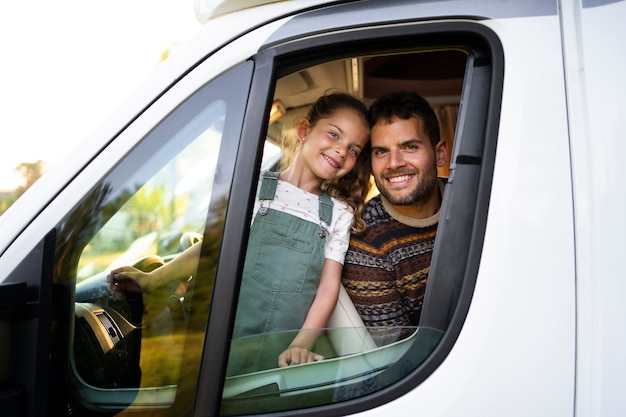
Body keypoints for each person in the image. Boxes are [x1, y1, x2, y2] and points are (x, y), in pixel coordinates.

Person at [108, 92, 371, 373]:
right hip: (228, 339)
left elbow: (328, 286)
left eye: (353, 149)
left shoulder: (339, 214)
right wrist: (152, 280)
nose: (342, 150)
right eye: (334, 134)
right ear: (304, 131)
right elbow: (215, 248)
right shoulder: (253, 185)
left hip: (286, 352)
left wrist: (302, 343)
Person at [341, 90, 448, 347]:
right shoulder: (367, 244)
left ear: (440, 153)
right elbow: (400, 356)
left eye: (409, 147)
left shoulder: (478, 201)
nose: (394, 163)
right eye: (381, 152)